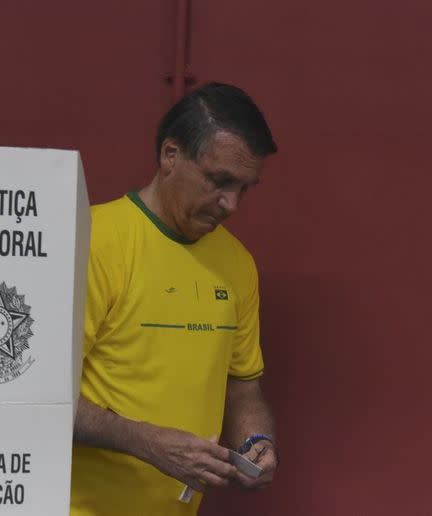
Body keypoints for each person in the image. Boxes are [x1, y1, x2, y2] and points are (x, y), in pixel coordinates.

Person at [70, 82, 279, 516]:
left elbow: (244, 387)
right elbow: (37, 397)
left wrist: (256, 440)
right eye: (220, 180)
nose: (232, 204)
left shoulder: (237, 264)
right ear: (170, 156)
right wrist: (146, 442)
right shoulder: (92, 242)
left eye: (245, 188)